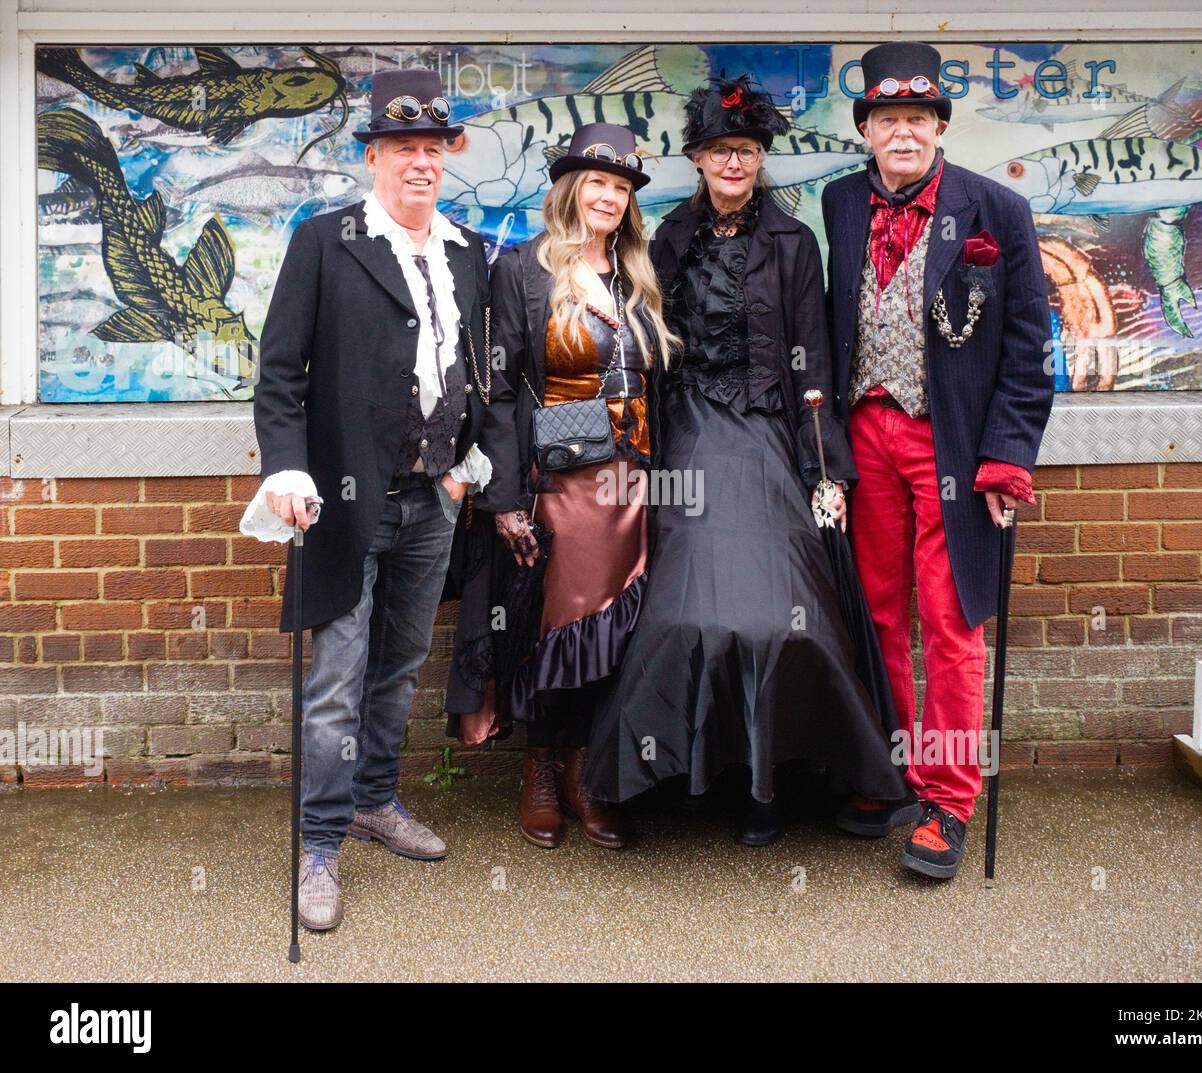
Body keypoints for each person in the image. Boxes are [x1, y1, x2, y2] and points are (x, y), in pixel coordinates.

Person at [583, 75, 909, 846]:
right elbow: (642, 350)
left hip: (768, 438)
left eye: (749, 150)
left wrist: (826, 473)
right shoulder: (662, 239)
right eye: (722, 150)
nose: (736, 162)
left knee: (777, 619)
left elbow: (816, 369)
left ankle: (771, 782)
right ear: (696, 157)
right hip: (688, 437)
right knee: (688, 613)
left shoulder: (794, 244)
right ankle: (685, 773)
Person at [241, 68, 492, 930]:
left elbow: (486, 376)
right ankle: (318, 844)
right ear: (374, 157)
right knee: (338, 678)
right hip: (347, 502)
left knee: (399, 664)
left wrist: (469, 470)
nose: (420, 163)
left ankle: (375, 800)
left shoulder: (468, 251)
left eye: (433, 149)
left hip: (434, 500)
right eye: (403, 149)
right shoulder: (325, 240)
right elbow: (279, 377)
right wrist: (289, 470)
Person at [823, 42, 1054, 879]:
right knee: (877, 615)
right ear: (868, 132)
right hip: (866, 435)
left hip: (949, 441)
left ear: (940, 126)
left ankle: (947, 799)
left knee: (950, 623)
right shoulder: (840, 201)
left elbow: (1030, 350)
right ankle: (890, 773)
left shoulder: (997, 211)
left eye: (918, 118)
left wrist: (1005, 456)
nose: (904, 132)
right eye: (888, 119)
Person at [475, 123, 676, 850]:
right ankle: (539, 766)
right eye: (598, 183)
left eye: (621, 188)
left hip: (638, 481)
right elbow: (496, 390)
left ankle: (590, 772)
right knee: (560, 626)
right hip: (562, 483)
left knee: (620, 634)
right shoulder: (527, 270)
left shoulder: (638, 274)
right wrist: (501, 495)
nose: (610, 198)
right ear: (570, 190)